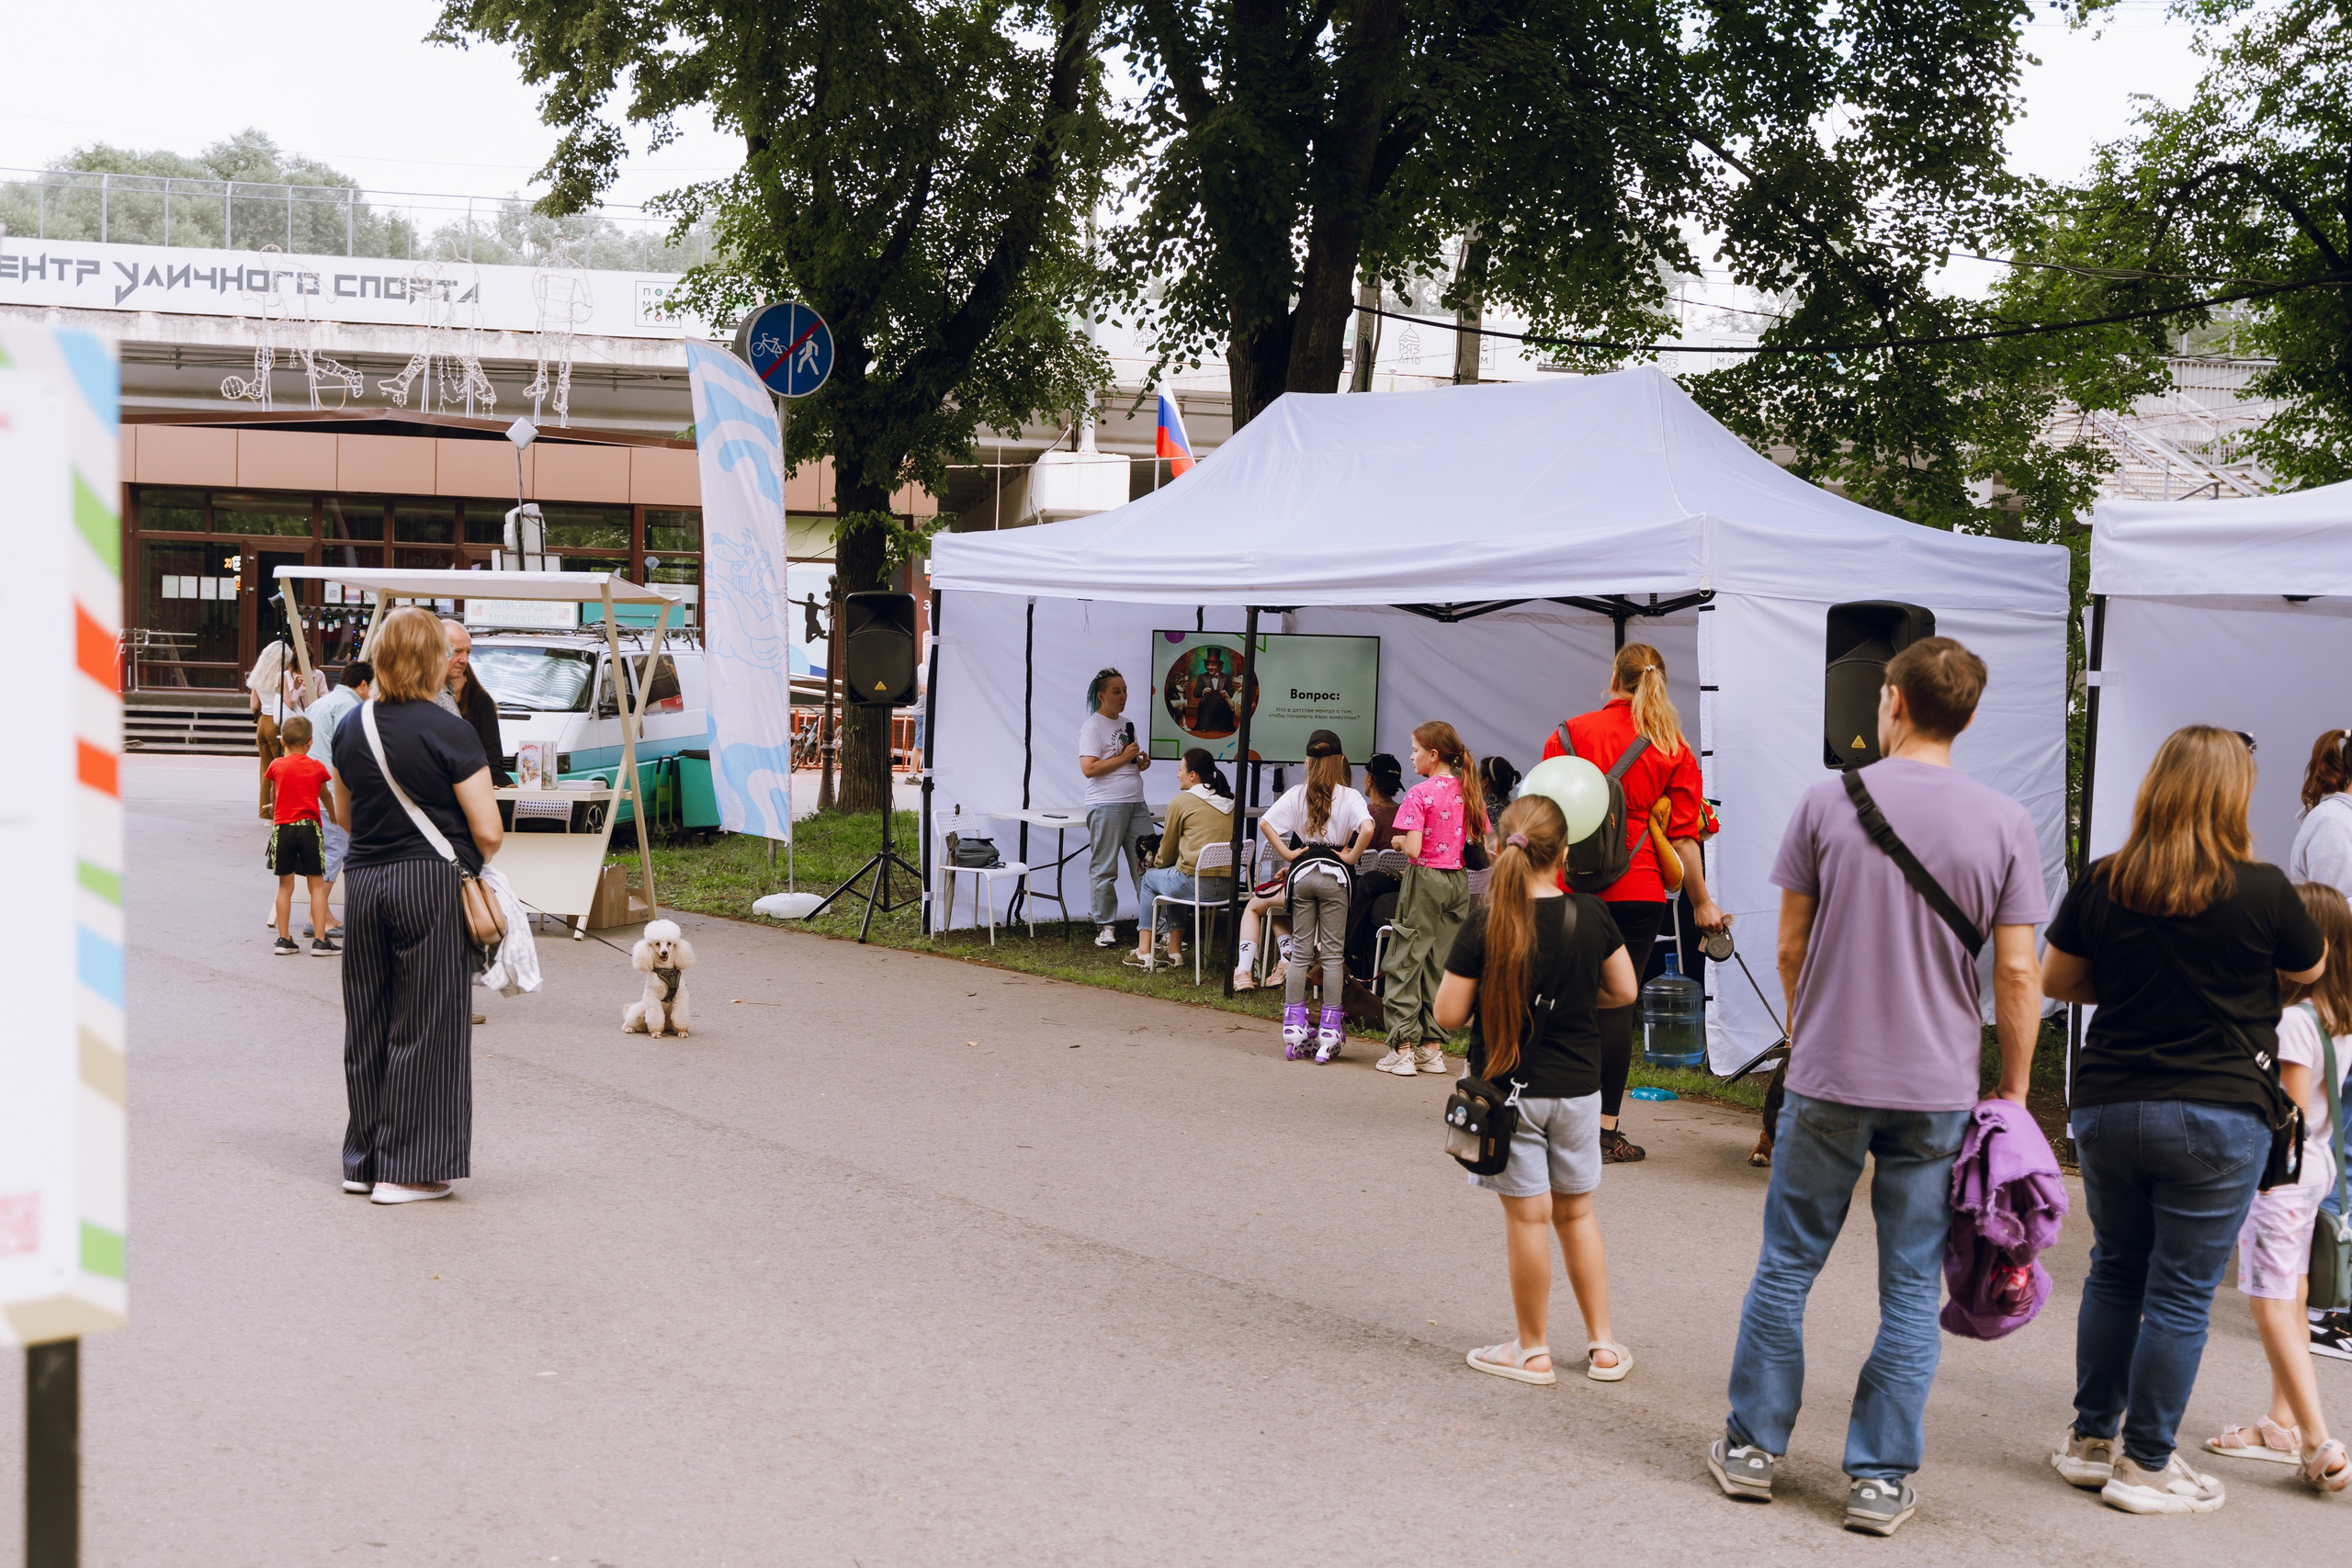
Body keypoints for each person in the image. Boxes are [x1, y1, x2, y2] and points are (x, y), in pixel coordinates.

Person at [1710, 637, 2044, 1539]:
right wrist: (2011, 1086)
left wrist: (1802, 1028)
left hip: (1828, 1074)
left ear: (1889, 701)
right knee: (1907, 1287)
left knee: (1787, 1265)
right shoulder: (2005, 824)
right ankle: (1879, 1480)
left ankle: (1750, 1449)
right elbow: (2017, 976)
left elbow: (1787, 945)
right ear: (1967, 717)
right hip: (1935, 1087)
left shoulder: (1826, 802)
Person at [2041, 724, 2326, 1516]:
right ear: (2234, 793)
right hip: (2216, 1113)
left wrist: (2135, 989)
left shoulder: (2107, 880)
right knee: (2178, 1292)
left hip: (2110, 1104)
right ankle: (2147, 1465)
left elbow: (2059, 977)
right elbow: (2309, 971)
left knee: (2115, 1267)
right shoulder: (2266, 889)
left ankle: (2092, 1442)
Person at [1436, 795, 1639, 1387]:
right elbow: (1624, 990)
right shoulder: (1592, 915)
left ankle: (1532, 1351)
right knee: (1577, 1213)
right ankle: (1603, 1347)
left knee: (1528, 1221)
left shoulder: (1486, 919)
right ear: (1566, 855)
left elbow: (1449, 1015)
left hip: (1506, 1096)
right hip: (1579, 1092)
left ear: (1502, 849)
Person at [327, 607, 504, 1206]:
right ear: (432, 658)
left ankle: (365, 1156)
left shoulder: (352, 726)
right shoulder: (449, 728)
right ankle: (408, 1168)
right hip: (429, 882)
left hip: (366, 881)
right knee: (426, 1024)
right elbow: (489, 830)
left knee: (369, 1018)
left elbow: (345, 815)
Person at [1541, 645, 1726, 1163]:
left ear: (1613, 678)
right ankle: (1603, 1133)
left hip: (1569, 887)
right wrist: (1702, 903)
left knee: (1562, 1001)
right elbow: (1687, 838)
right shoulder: (1672, 746)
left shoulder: (1568, 735)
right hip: (1639, 890)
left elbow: (1543, 817)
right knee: (1616, 1006)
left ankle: (1548, 1119)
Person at [2200, 881, 2351, 1492]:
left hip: (2283, 1175)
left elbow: (2281, 1111)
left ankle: (2319, 1440)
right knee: (2292, 1288)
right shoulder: (2338, 1016)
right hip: (2319, 1164)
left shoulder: (2294, 1020)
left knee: (2267, 1301)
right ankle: (2281, 1423)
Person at [2290, 727, 2352, 1359]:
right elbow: (2330, 925)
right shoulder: (2336, 827)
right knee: (2333, 1143)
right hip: (2338, 1010)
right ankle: (2324, 1305)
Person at [1378, 721, 1487, 1077]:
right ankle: (1432, 1048)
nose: (1411, 757)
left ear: (1433, 754)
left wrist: (1396, 842)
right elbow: (1481, 840)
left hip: (1424, 878)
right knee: (1438, 961)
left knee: (1406, 958)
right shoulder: (1469, 791)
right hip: (1457, 881)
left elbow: (1411, 846)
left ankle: (1403, 1048)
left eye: (1415, 750)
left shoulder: (1420, 793)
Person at [1258, 731, 1375, 1062]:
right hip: (1335, 876)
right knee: (1333, 955)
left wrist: (1288, 853)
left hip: (1303, 874)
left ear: (1308, 761)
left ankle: (1293, 1026)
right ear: (1340, 761)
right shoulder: (1349, 796)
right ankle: (1329, 1027)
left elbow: (1267, 823)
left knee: (1300, 953)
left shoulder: (1297, 794)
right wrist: (1350, 857)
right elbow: (1367, 829)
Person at [1128, 749, 1235, 969]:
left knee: (1151, 879)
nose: (1178, 775)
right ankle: (1173, 952)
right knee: (1177, 874)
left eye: (1180, 769)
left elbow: (1166, 853)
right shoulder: (1230, 802)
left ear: (1193, 774)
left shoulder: (1181, 803)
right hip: (1229, 889)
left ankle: (1144, 951)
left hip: (1195, 886)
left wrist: (1153, 862)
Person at [1078, 668, 1150, 948]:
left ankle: (1153, 925)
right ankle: (1105, 925)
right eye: (1116, 691)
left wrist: (1139, 762)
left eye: (1125, 690)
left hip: (1136, 801)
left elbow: (1126, 759)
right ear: (1101, 696)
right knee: (1105, 866)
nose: (1123, 696)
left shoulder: (1127, 722)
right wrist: (1124, 759)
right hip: (1107, 803)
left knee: (1146, 864)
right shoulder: (1092, 727)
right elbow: (1089, 768)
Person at [301, 660, 372, 940]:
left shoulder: (321, 702)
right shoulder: (351, 707)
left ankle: (322, 913)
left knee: (322, 851)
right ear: (363, 684)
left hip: (308, 786)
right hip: (330, 788)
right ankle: (316, 917)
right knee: (333, 850)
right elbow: (351, 751)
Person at [263, 715, 338, 958]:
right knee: (316, 885)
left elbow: (274, 793)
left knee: (285, 886)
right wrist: (335, 816)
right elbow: (325, 796)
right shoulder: (317, 767)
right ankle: (319, 941)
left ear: (282, 742)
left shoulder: (276, 765)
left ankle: (284, 939)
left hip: (283, 828)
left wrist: (275, 811)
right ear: (310, 742)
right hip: (309, 828)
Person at [438, 619, 514, 786]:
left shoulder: (453, 693)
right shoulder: (426, 694)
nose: (464, 660)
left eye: (468, 653)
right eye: (457, 651)